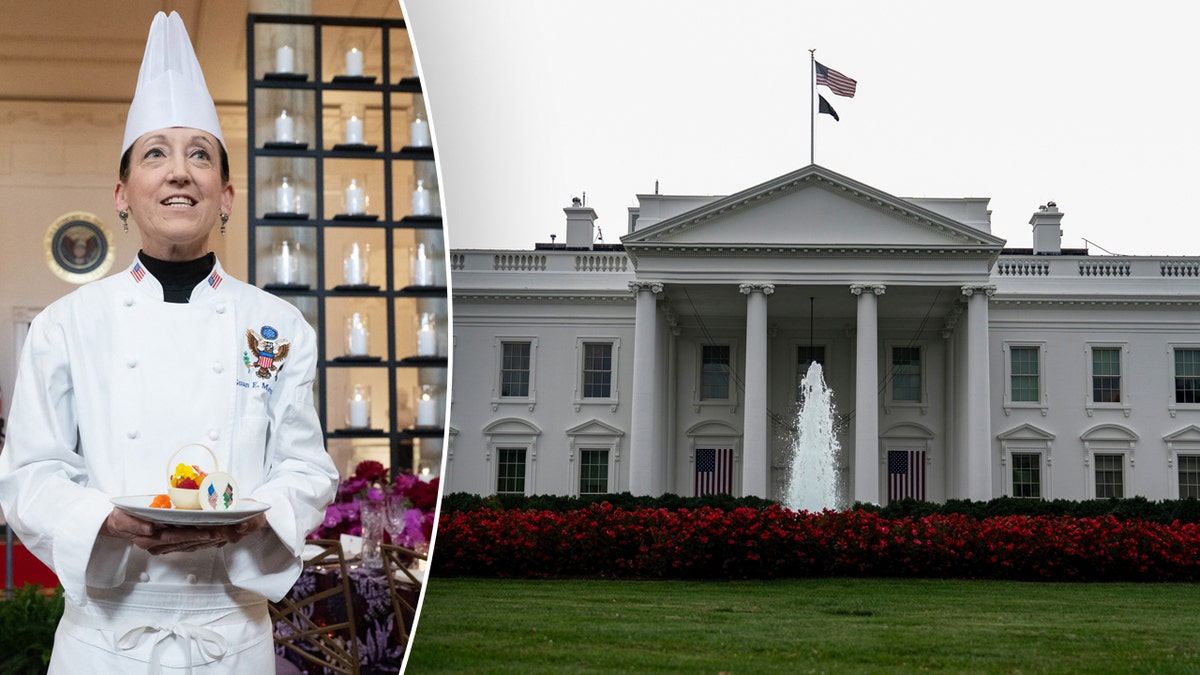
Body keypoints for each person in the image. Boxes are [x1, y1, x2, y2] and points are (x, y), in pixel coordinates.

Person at [0, 12, 339, 673]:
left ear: (226, 197)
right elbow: (28, 477)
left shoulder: (278, 327)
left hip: (231, 636)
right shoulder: (65, 325)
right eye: (156, 152)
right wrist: (108, 518)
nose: (180, 171)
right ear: (123, 195)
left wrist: (257, 515)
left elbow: (307, 469)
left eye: (200, 154)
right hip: (105, 640)